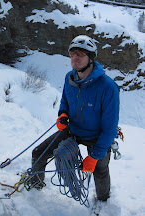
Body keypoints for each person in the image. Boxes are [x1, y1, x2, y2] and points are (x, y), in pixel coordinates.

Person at [26, 35, 120, 202]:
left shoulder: (108, 87)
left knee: (100, 169)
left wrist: (95, 156)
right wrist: (62, 115)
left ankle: (103, 201)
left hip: (97, 135)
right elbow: (65, 102)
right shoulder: (70, 78)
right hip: (74, 129)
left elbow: (110, 128)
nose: (75, 57)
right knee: (38, 153)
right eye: (73, 53)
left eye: (81, 54)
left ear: (90, 58)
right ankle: (35, 186)